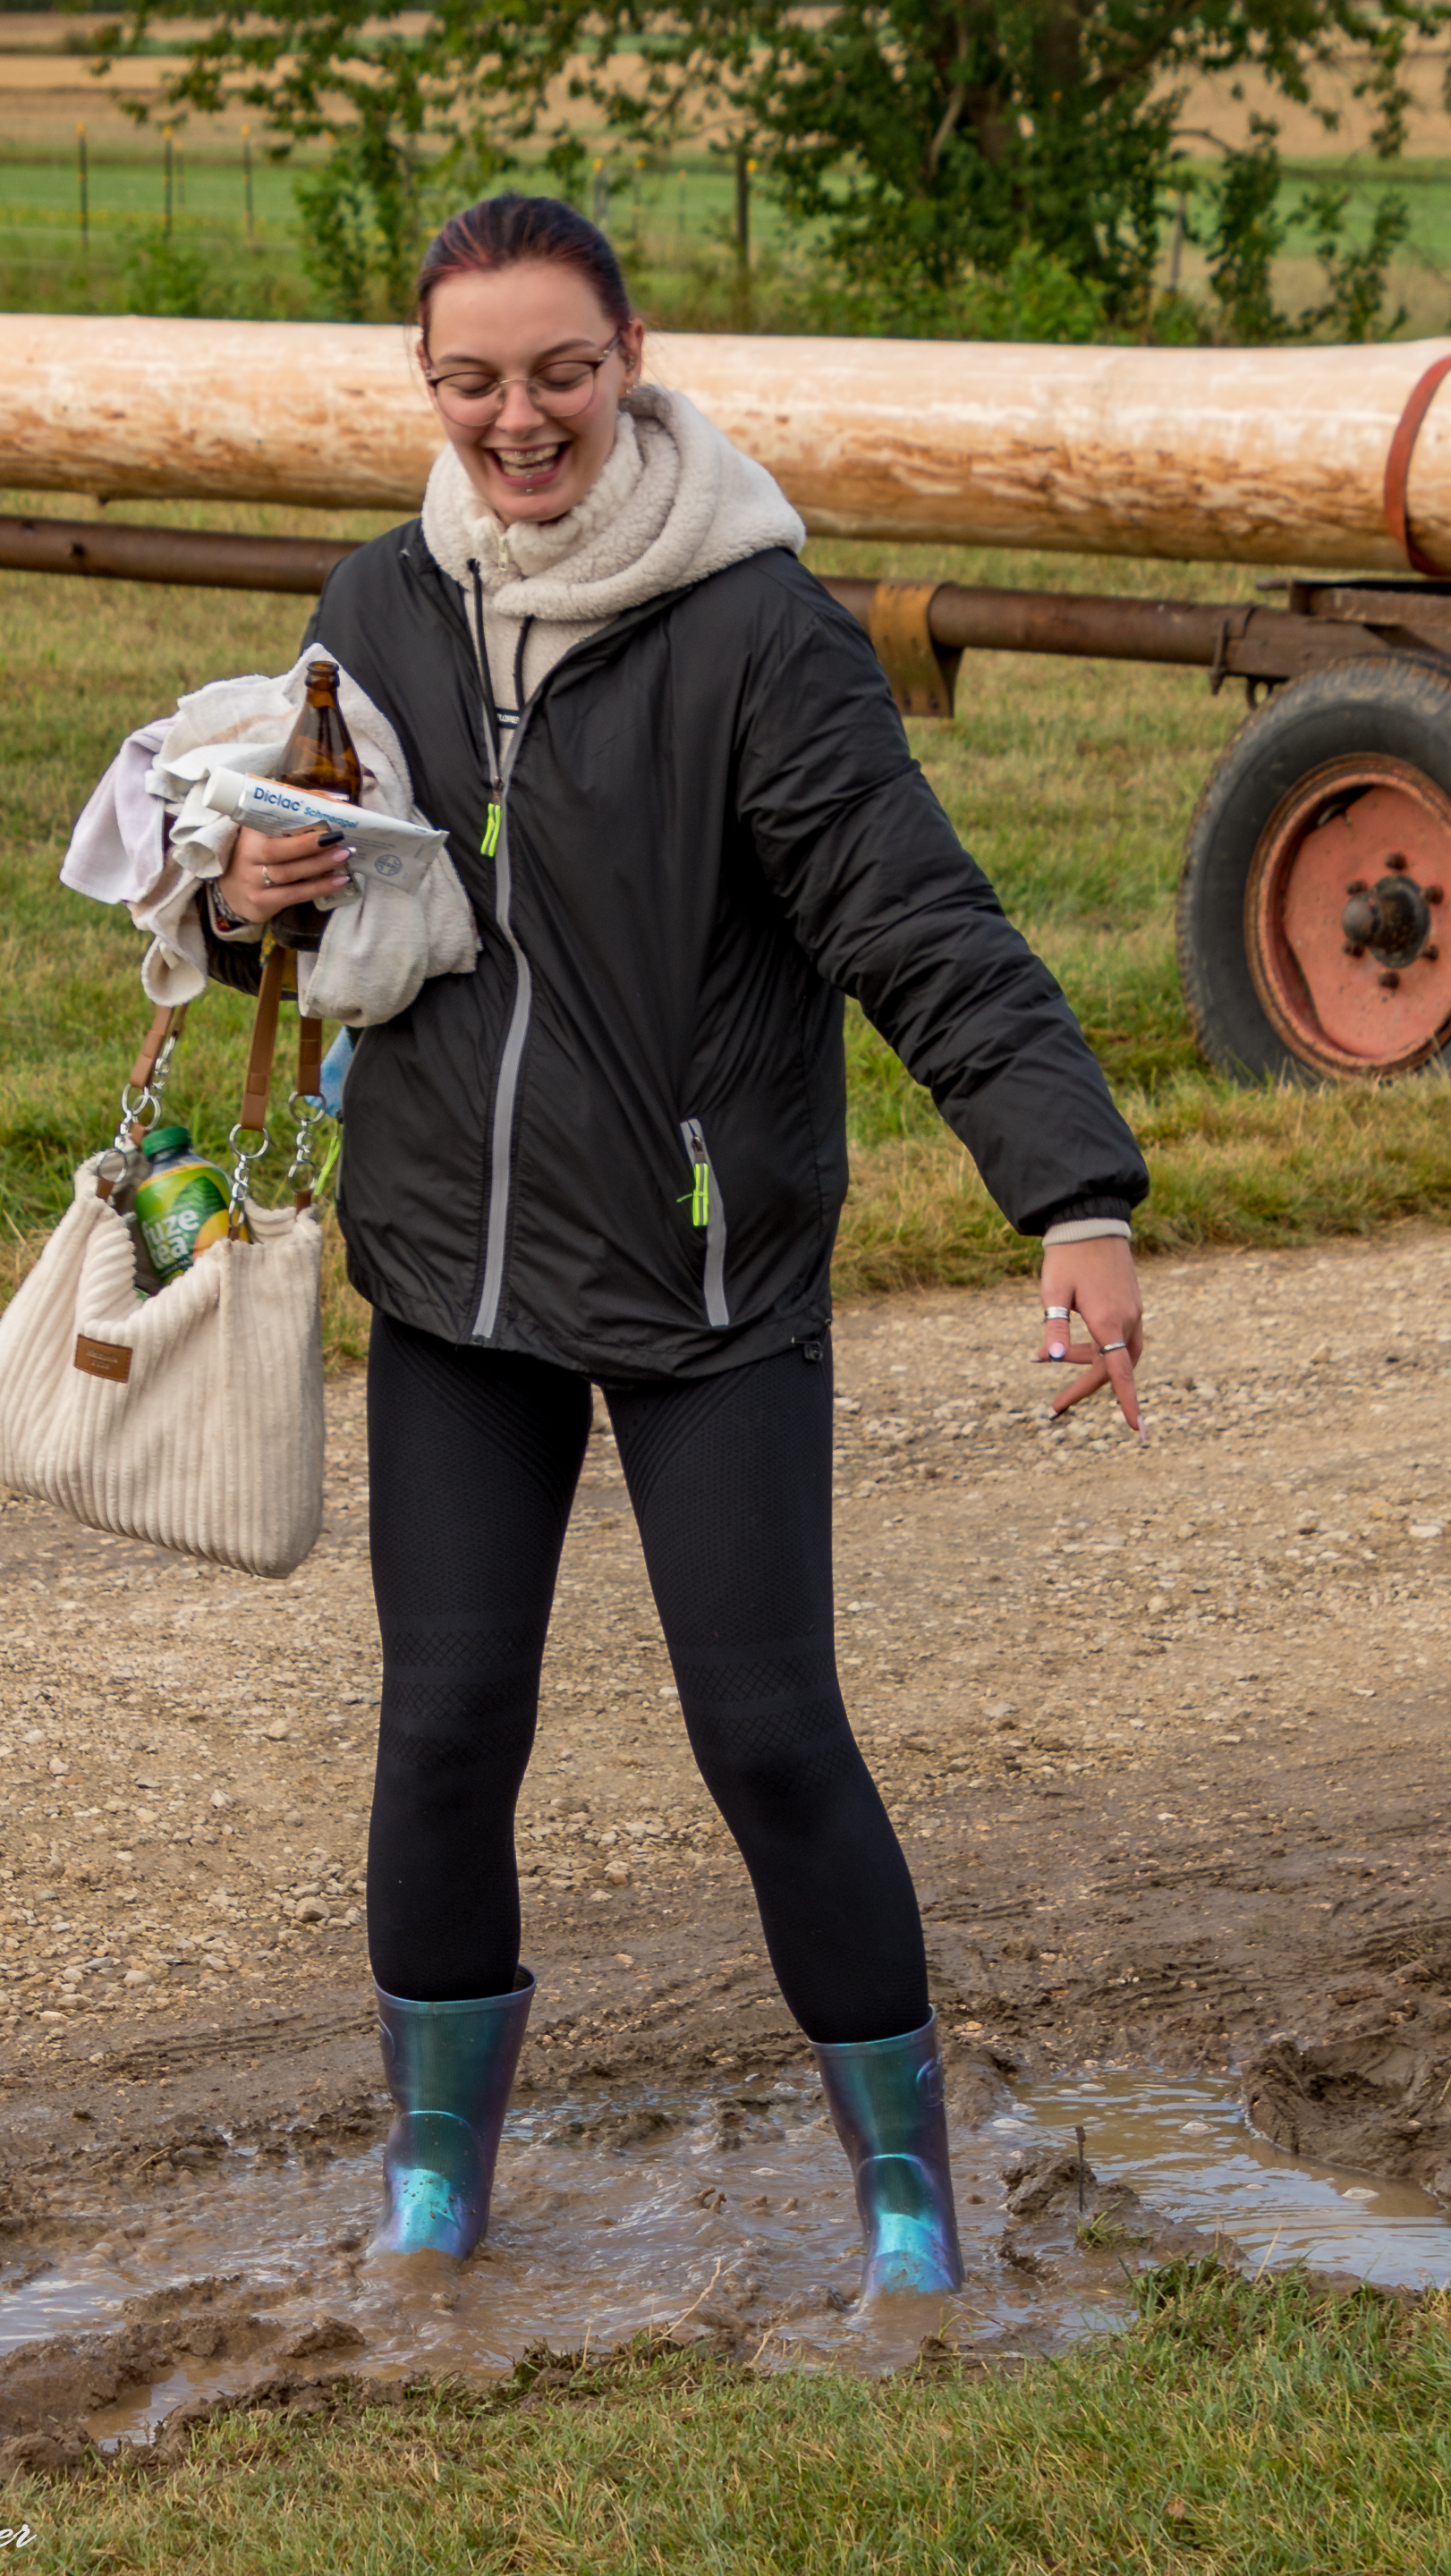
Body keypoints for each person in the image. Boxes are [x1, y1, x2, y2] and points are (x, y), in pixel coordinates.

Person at [199, 193, 1148, 2301]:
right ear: (426, 385)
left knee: (771, 1735)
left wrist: (1074, 1197)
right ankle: (434, 2181)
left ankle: (905, 2202)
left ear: (632, 359)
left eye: (561, 370)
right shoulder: (376, 606)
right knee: (447, 1725)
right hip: (455, 1273)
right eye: (473, 381)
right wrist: (248, 890)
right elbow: (309, 899)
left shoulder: (757, 631)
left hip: (708, 1282)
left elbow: (919, 926)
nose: (519, 418)